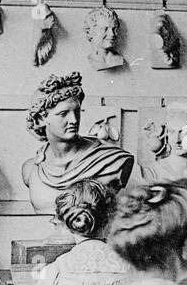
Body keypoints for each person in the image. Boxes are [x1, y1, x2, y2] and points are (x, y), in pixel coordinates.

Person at [22, 71, 134, 214]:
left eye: (77, 112)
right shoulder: (32, 168)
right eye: (63, 114)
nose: (74, 120)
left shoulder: (113, 161)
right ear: (40, 120)